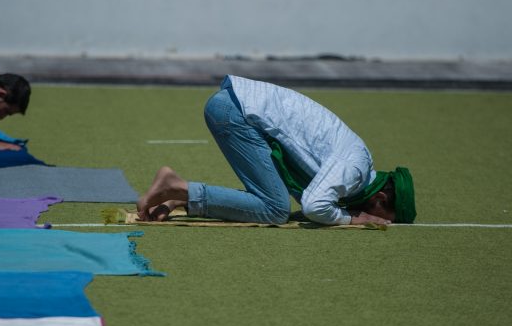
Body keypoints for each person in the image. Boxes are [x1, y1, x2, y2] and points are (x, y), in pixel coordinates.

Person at [137, 75, 416, 226]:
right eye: (379, 216)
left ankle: (181, 199)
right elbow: (314, 206)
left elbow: (307, 197)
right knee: (275, 209)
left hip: (235, 105)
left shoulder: (357, 166)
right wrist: (353, 218)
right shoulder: (354, 170)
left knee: (271, 197)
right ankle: (177, 187)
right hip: (236, 111)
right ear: (379, 198)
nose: (374, 220)